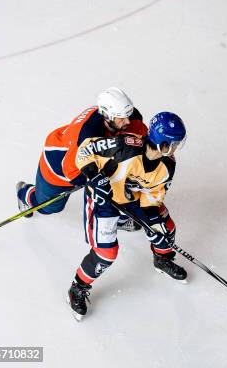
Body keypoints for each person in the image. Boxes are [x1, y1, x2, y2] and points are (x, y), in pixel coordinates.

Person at [67, 112, 187, 321]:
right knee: (106, 253)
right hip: (104, 201)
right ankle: (78, 287)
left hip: (131, 200)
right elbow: (85, 149)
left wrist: (152, 224)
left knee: (165, 228)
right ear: (161, 142)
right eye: (173, 144)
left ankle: (162, 258)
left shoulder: (168, 165)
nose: (175, 149)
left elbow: (152, 198)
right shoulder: (125, 145)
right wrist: (94, 176)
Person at [16, 87, 148, 231]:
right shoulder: (86, 136)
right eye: (121, 118)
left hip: (84, 152)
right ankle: (24, 192)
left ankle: (115, 218)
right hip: (58, 165)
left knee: (115, 181)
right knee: (48, 208)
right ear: (107, 116)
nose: (127, 121)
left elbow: (140, 134)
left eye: (127, 115)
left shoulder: (126, 116)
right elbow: (71, 172)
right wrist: (97, 178)